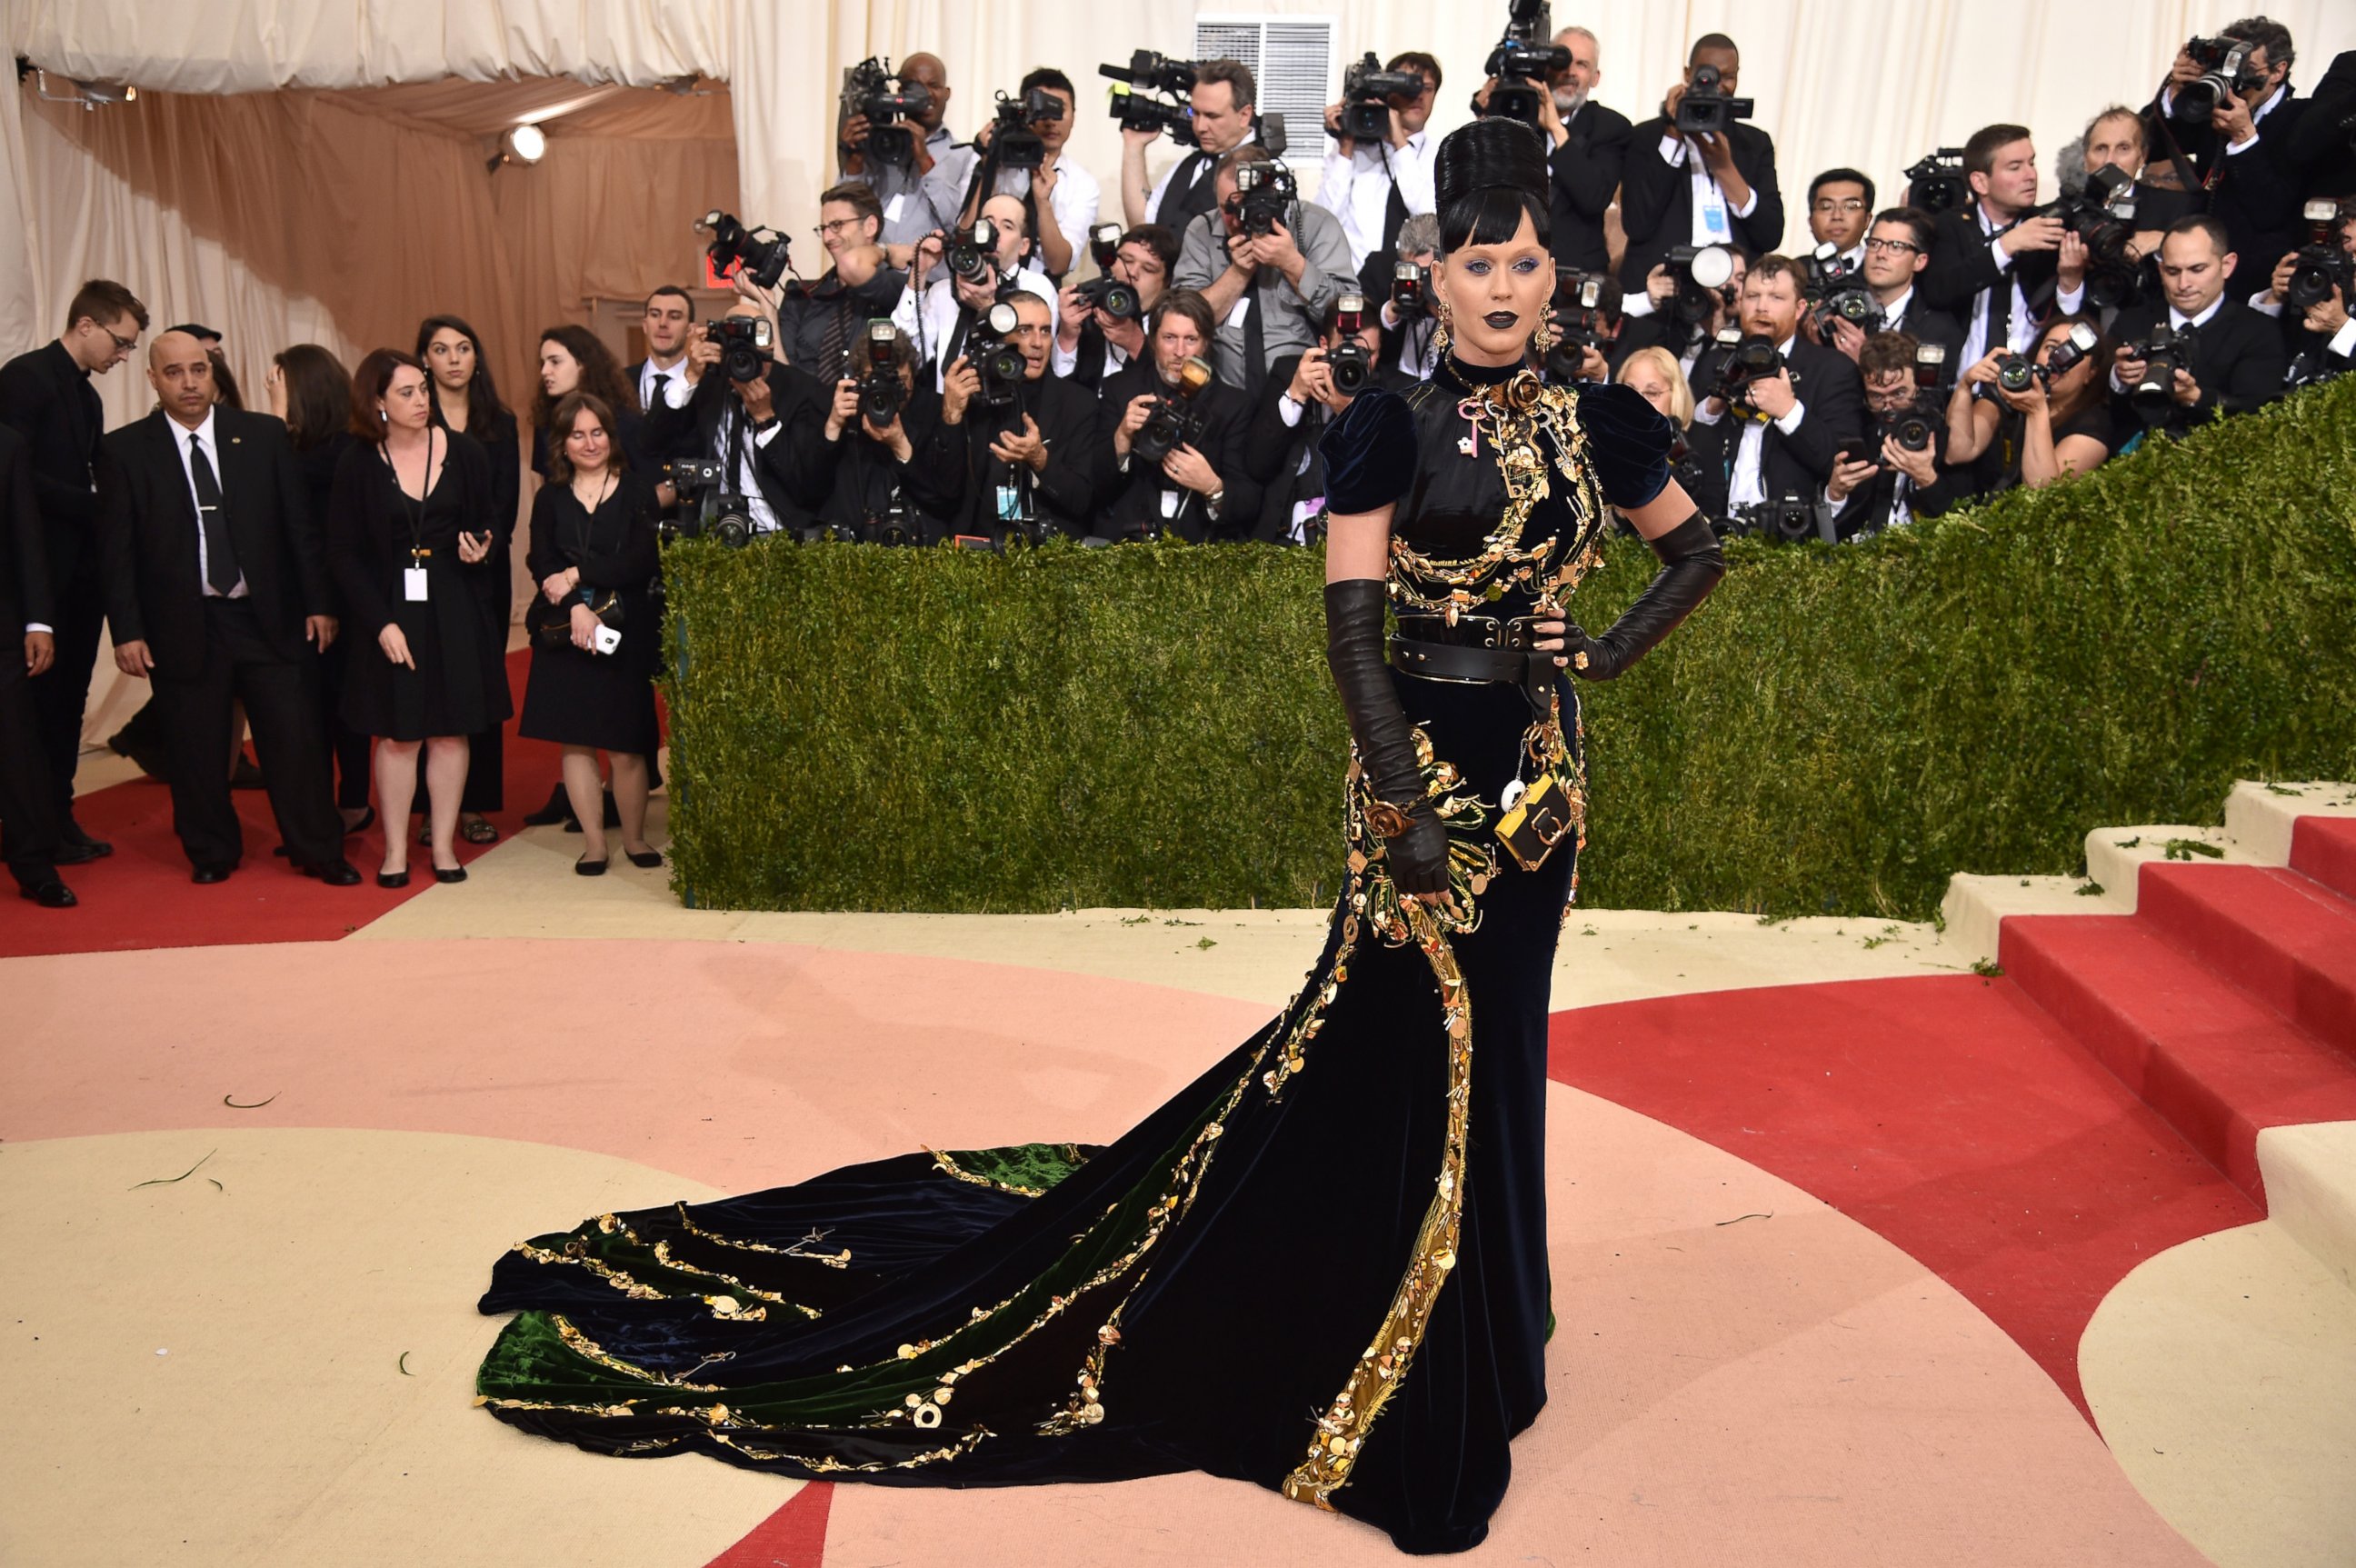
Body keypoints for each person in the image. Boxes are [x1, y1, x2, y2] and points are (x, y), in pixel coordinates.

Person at [474, 116, 1722, 1559]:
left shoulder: (1601, 420)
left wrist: (1602, 651)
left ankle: (1495, 1319)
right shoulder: (1384, 417)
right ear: (1430, 274)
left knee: (1504, 1048)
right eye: (1479, 262)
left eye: (1527, 263)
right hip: (1419, 788)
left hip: (1543, 792)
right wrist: (1398, 800)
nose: (1507, 287)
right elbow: (1351, 628)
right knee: (1400, 1044)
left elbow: (1695, 552)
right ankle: (1399, 1342)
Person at [95, 331, 357, 886]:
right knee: (197, 748)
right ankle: (211, 852)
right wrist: (128, 630)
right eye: (175, 373)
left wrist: (319, 603)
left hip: (270, 620)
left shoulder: (261, 436)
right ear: (153, 379)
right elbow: (116, 554)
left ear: (213, 374)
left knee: (295, 741)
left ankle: (318, 849)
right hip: (183, 623)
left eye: (199, 370)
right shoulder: (124, 451)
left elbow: (299, 530)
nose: (189, 383)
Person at [329, 350, 509, 887]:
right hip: (388, 609)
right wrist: (379, 621)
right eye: (405, 393)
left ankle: (446, 846)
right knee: (399, 734)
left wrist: (483, 547)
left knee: (451, 732)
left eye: (422, 390)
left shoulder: (465, 452)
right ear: (376, 402)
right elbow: (342, 553)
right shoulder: (358, 462)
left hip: (455, 605)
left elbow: (488, 524)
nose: (420, 400)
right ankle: (394, 851)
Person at [0, 278, 148, 866]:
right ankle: (30, 827)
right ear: (85, 324)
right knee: (33, 713)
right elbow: (15, 481)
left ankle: (59, 816)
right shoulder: (24, 379)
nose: (123, 355)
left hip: (80, 577)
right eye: (121, 341)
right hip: (37, 581)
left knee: (67, 704)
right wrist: (95, 506)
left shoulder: (88, 398)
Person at [517, 393, 662, 875]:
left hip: (625, 628)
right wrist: (578, 608)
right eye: (578, 434)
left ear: (610, 435)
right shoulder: (550, 496)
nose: (589, 442)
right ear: (562, 443)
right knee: (576, 741)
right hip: (566, 630)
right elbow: (541, 560)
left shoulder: (637, 490)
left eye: (597, 431)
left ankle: (637, 839)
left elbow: (641, 560)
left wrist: (577, 575)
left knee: (625, 744)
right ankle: (596, 844)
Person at [418, 314, 522, 848]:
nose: (454, 358)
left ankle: (474, 802)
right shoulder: (413, 417)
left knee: (481, 682)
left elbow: (506, 501)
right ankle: (428, 808)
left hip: (483, 570)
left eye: (463, 347)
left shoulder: (498, 422)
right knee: (424, 682)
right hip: (423, 569)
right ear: (424, 361)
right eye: (441, 349)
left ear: (476, 357)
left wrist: (484, 543)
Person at [266, 343, 372, 837]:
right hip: (298, 599)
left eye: (278, 381)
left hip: (335, 599)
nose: (271, 388)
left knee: (338, 706)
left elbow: (286, 488)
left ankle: (352, 802)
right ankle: (322, 806)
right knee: (306, 712)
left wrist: (273, 422)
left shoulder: (342, 452)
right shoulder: (299, 449)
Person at [1686, 254, 1865, 525]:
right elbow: (1687, 451)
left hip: (1789, 537)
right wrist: (1711, 409)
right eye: (1753, 296)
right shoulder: (1715, 361)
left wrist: (1788, 411)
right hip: (1713, 530)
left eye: (1776, 298)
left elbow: (1841, 464)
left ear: (1799, 308)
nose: (1761, 307)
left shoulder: (1831, 369)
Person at [1173, 145, 1355, 396]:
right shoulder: (1202, 230)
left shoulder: (1316, 224)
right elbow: (1184, 321)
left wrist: (1293, 264)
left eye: (1245, 206)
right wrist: (1238, 273)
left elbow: (1349, 316)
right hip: (1222, 390)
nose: (1237, 219)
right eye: (1227, 209)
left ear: (1272, 194)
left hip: (1301, 387)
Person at [1616, 35, 1785, 290]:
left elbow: (1770, 234)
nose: (1717, 86)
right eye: (1707, 76)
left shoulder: (1754, 143)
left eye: (1727, 77)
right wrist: (1673, 135)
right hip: (1664, 287)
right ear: (1688, 74)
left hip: (1733, 291)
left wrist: (1725, 169)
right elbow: (1637, 225)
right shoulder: (1646, 137)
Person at [663, 292, 834, 539]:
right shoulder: (707, 384)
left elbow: (810, 485)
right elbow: (653, 443)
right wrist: (688, 376)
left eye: (755, 342)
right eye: (735, 344)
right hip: (711, 533)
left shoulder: (802, 389)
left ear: (770, 345)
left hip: (779, 533)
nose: (746, 356)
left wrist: (766, 419)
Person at [2143, 16, 2309, 272]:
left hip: (2257, 273)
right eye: (2229, 65)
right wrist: (2177, 90)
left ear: (2277, 71)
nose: (2235, 79)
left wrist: (2244, 137)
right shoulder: (2213, 101)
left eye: (2248, 68)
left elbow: (2271, 211)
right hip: (2198, 263)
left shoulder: (2302, 119)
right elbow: (2150, 148)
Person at [1916, 124, 2087, 367]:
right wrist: (2006, 247)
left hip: (2033, 377)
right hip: (1959, 381)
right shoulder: (1949, 225)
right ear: (1980, 182)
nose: (2030, 175)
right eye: (2015, 167)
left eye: (2032, 163)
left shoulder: (2050, 226)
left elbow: (2069, 319)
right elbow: (1939, 291)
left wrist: (2071, 281)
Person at [1093, 289, 1255, 542]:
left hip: (1201, 547)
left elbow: (1249, 500)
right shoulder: (1121, 389)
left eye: (1191, 339)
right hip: (1128, 544)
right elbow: (1094, 487)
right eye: (1170, 337)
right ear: (1153, 340)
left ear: (1206, 344)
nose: (1180, 351)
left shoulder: (1233, 405)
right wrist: (1122, 437)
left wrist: (1213, 487)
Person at [2104, 214, 2287, 438]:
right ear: (2161, 271)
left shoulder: (2258, 331)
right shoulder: (2131, 323)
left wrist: (2198, 398)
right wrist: (2118, 377)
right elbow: (2096, 408)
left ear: (2227, 266)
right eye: (2173, 271)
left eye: (2197, 269)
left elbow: (2259, 414)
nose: (2184, 284)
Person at [937, 291, 1099, 541]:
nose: (1038, 342)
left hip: (1048, 554)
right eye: (1024, 330)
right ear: (1000, 336)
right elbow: (945, 491)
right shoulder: (971, 395)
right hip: (976, 552)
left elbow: (1081, 500)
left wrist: (1041, 460)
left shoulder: (1078, 404)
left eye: (1045, 331)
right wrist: (951, 416)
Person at [1243, 296, 1401, 544]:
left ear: (1380, 350)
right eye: (1344, 352)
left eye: (1367, 354)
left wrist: (1349, 413)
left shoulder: (1396, 392)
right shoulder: (1289, 373)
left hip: (1363, 542)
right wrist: (1295, 395)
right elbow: (1257, 465)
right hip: (1284, 542)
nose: (1355, 363)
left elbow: (1393, 482)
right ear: (1323, 346)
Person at [807, 325, 966, 543]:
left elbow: (946, 499)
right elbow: (809, 491)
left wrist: (901, 445)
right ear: (857, 379)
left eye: (898, 381)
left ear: (913, 374)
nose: (887, 390)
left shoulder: (936, 410)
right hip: (848, 550)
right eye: (875, 380)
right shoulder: (843, 409)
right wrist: (833, 426)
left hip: (917, 548)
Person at [939, 67, 1100, 279]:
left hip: (1038, 290)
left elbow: (1059, 264)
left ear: (1073, 117)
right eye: (1041, 111)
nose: (1050, 121)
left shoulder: (1082, 184)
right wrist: (989, 165)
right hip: (979, 276)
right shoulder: (993, 162)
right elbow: (964, 235)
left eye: (1058, 110)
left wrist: (1043, 202)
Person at [0, 420, 70, 906]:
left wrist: (38, 623)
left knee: (16, 751)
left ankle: (34, 866)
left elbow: (27, 536)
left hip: (2, 629)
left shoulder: (8, 444)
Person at [894, 192, 1059, 387]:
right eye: (987, 223)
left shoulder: (1035, 287)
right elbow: (904, 357)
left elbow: (1033, 360)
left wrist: (987, 309)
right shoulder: (943, 291)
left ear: (1024, 246)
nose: (993, 233)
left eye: (1007, 226)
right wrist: (919, 274)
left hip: (1010, 405)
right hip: (947, 408)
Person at [1942, 315, 2118, 496]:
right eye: (2051, 347)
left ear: (2090, 374)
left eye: (2072, 354)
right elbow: (1957, 452)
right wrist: (1964, 387)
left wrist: (2036, 411)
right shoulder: (2009, 393)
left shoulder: (2095, 424)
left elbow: (2041, 492)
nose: (2058, 358)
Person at [1822, 330, 1970, 537]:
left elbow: (1966, 528)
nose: (1888, 407)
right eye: (1876, 396)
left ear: (1920, 386)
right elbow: (1831, 534)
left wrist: (1926, 479)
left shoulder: (1947, 438)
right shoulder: (1859, 437)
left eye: (1899, 393)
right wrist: (1835, 494)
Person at [1315, 50, 1441, 272]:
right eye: (1408, 86)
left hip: (1418, 285)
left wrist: (1400, 144)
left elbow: (1427, 219)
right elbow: (1325, 220)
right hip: (1355, 287)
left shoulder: (1440, 155)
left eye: (1427, 88)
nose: (1418, 95)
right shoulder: (1351, 151)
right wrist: (1346, 143)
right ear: (1388, 90)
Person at [843, 51, 971, 250]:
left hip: (929, 277)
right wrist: (854, 161)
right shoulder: (877, 143)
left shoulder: (965, 155)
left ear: (947, 93)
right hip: (874, 270)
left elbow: (959, 226)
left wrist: (924, 161)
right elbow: (844, 214)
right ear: (900, 91)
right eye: (915, 87)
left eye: (934, 86)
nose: (926, 94)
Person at [783, 185, 910, 385]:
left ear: (870, 226)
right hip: (810, 412)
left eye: (837, 225)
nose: (827, 237)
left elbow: (852, 266)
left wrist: (886, 251)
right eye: (823, 228)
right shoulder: (804, 296)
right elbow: (785, 373)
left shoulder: (897, 288)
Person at [1124, 57, 1258, 232]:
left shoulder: (1267, 174)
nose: (1200, 127)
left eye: (1212, 116)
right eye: (1194, 113)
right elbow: (1144, 229)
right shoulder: (1187, 165)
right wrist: (1134, 146)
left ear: (1244, 115)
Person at [1821, 208, 1966, 365]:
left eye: (1896, 246)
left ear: (1920, 261)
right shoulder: (1840, 306)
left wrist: (1866, 363)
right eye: (1875, 244)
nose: (1881, 254)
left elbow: (1928, 390)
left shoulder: (1938, 330)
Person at [1543, 25, 1632, 275]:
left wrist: (1554, 127)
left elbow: (1595, 197)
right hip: (1517, 268)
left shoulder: (1611, 127)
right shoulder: (1519, 118)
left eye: (1581, 65)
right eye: (1563, 61)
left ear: (1595, 77)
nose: (1570, 72)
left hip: (1577, 272)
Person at [1053, 223, 1177, 388]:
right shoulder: (1084, 305)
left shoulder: (1173, 326)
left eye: (1148, 269)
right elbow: (1059, 388)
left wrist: (1136, 345)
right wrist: (1067, 336)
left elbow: (1169, 391)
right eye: (1126, 260)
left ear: (1166, 282)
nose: (1132, 272)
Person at [2251, 195, 2356, 383]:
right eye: (2347, 239)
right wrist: (2275, 300)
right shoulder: (2323, 286)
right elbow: (2249, 351)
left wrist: (2342, 327)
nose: (2353, 248)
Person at [1613, 345, 1722, 521]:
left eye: (1651, 393)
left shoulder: (1701, 439)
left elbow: (1710, 513)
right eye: (1629, 391)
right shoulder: (1606, 441)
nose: (1638, 402)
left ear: (1676, 394)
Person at [531, 327, 654, 479]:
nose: (544, 371)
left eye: (555, 362)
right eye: (543, 363)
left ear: (583, 364)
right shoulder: (546, 421)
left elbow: (656, 486)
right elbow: (546, 482)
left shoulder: (625, 422)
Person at [627, 286, 697, 418]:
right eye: (655, 315)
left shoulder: (706, 385)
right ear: (645, 325)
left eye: (674, 317)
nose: (663, 323)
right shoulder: (620, 382)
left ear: (690, 329)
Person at [1805, 169, 1873, 273]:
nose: (1837, 216)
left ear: (1867, 220)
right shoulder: (1794, 272)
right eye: (1826, 207)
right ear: (1811, 221)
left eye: (1850, 207)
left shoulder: (1882, 272)